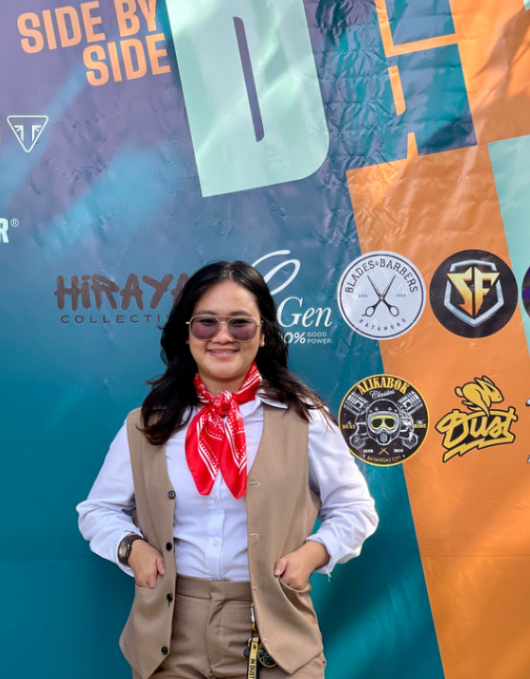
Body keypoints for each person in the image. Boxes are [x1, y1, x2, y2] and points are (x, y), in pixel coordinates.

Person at [77, 260, 378, 679]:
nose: (222, 336)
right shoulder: (148, 423)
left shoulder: (305, 418)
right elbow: (97, 510)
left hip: (276, 634)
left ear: (264, 333)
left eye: (240, 323)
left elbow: (355, 509)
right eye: (206, 323)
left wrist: (312, 554)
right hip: (169, 637)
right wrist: (131, 548)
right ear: (186, 333)